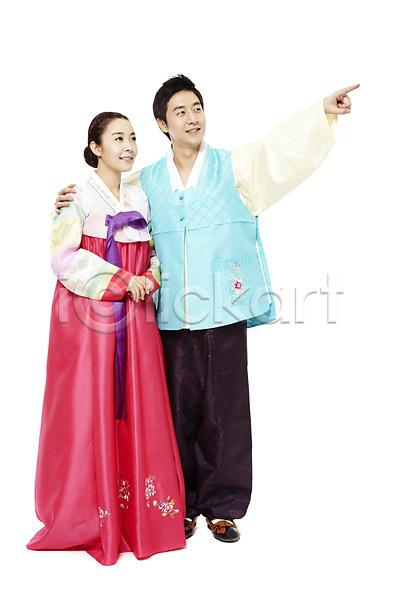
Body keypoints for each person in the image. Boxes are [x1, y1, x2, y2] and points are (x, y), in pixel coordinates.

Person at [55, 77, 359, 543]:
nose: (192, 117)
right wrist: (70, 199)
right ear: (162, 124)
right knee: (174, 410)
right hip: (168, 312)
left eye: (196, 107)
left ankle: (222, 506)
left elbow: (278, 148)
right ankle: (179, 503)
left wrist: (322, 112)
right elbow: (104, 193)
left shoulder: (235, 167)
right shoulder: (145, 182)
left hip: (224, 309)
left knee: (226, 411)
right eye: (180, 111)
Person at [28, 112, 186, 565]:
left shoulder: (139, 196)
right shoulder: (77, 196)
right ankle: (88, 513)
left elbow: (154, 251)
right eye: (118, 138)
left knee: (139, 402)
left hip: (136, 315)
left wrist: (150, 278)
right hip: (90, 319)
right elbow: (63, 259)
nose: (129, 145)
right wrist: (121, 280)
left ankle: (140, 514)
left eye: (133, 137)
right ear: (96, 148)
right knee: (90, 404)